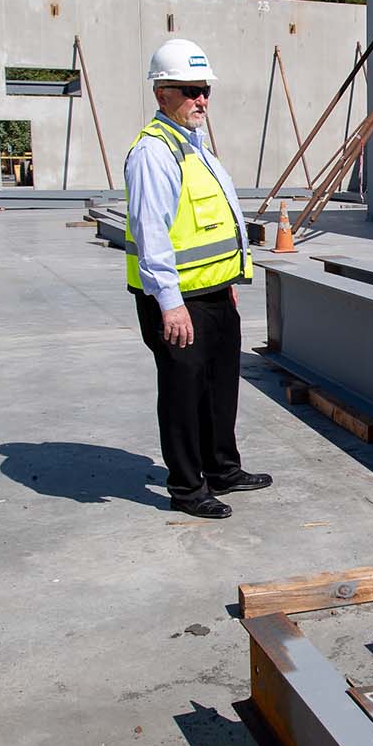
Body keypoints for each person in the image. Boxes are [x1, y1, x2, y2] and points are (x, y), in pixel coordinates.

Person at [123, 39, 271, 519]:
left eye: (204, 89)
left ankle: (222, 468)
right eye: (189, 90)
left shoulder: (195, 147)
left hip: (214, 292)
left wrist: (229, 279)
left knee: (220, 385)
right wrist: (169, 302)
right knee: (184, 393)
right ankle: (187, 487)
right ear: (161, 93)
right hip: (179, 299)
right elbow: (152, 235)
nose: (200, 99)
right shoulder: (155, 152)